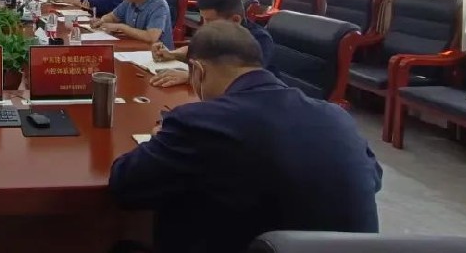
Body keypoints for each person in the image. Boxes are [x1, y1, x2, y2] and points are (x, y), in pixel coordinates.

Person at [108, 21, 382, 253]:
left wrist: (159, 140)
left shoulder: (199, 122)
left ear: (198, 71)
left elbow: (124, 185)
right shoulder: (337, 117)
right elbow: (374, 178)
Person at [150, 0, 275, 87]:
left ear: (235, 20)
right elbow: (195, 48)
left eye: (210, 21)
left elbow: (245, 79)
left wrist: (192, 77)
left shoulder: (259, 40)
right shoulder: (217, 33)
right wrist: (172, 54)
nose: (205, 26)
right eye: (203, 19)